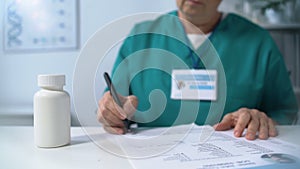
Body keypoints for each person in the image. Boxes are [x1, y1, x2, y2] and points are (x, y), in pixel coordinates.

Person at [97, 0, 298, 140]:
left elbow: (284, 112)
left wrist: (262, 120)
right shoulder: (141, 37)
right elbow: (117, 104)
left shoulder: (258, 42)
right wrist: (113, 114)